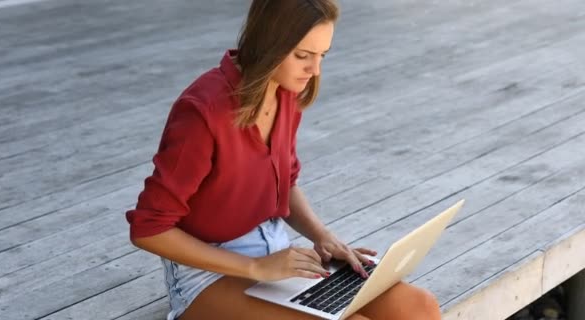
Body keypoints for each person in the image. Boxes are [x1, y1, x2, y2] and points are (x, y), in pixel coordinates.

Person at [126, 0, 442, 319]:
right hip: (205, 272)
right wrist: (255, 266)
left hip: (275, 252)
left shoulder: (283, 91)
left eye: (322, 56)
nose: (314, 70)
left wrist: (324, 237)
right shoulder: (202, 112)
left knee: (420, 307)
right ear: (268, 45)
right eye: (303, 56)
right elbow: (148, 228)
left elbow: (285, 183)